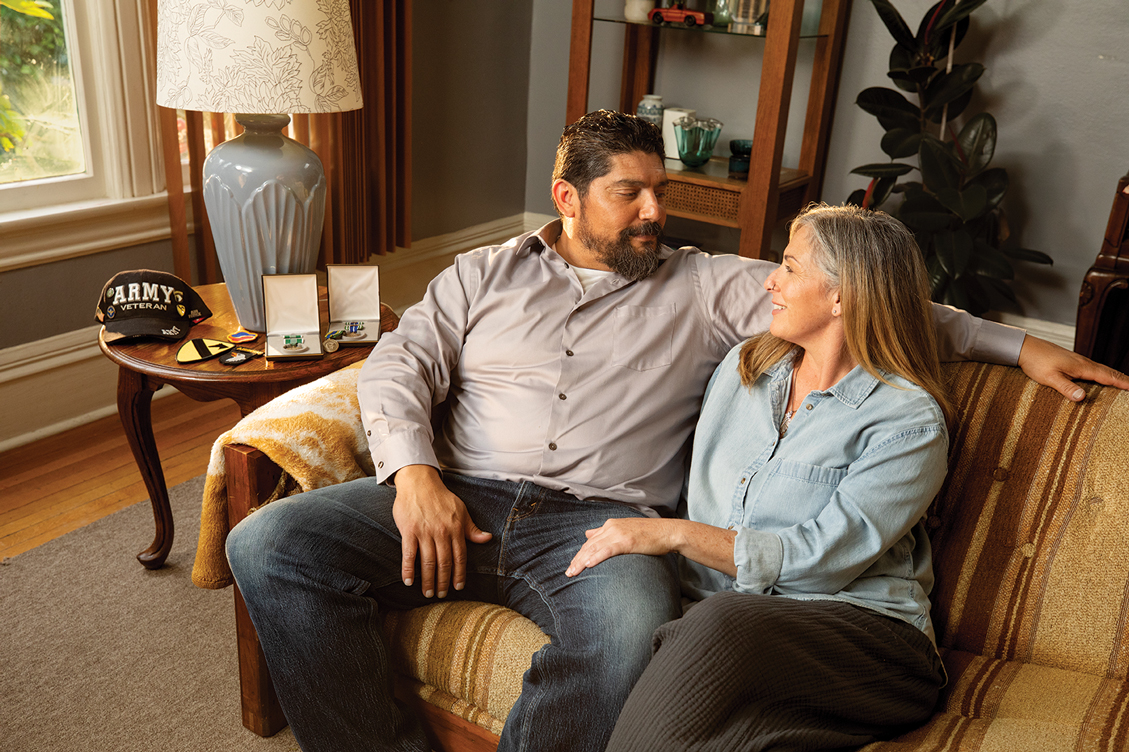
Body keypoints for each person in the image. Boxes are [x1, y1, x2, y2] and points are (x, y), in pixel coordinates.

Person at [224, 110, 1129, 752]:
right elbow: (396, 367)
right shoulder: (479, 276)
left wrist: (1018, 347)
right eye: (630, 194)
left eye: (661, 190)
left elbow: (875, 297)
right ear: (567, 198)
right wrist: (413, 473)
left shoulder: (706, 287)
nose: (656, 212)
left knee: (624, 643)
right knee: (268, 542)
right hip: (457, 491)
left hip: (601, 522)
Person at [569, 203, 954, 750]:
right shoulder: (745, 367)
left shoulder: (907, 421)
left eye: (791, 267)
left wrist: (674, 534)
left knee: (720, 620)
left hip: (872, 644)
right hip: (735, 637)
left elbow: (821, 561)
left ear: (843, 294)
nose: (770, 280)